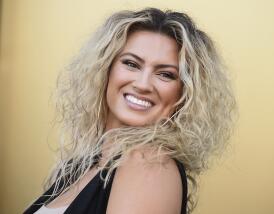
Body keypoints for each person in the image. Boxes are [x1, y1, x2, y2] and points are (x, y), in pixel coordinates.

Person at [23, 7, 237, 214]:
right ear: (105, 69)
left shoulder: (149, 162)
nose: (143, 84)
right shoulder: (84, 165)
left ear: (184, 94)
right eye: (131, 64)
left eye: (166, 74)